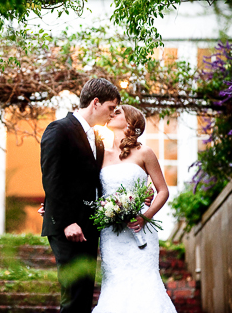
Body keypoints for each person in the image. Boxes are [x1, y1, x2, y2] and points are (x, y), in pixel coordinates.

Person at [40, 78, 152, 313]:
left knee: (83, 298)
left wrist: (140, 194)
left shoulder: (98, 141)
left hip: (89, 228)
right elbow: (52, 177)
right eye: (111, 109)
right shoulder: (58, 129)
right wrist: (64, 218)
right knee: (72, 297)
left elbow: (94, 183)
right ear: (96, 103)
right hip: (68, 228)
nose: (112, 115)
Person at [91, 105, 176, 312]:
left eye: (118, 112)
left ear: (130, 122)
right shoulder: (100, 153)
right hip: (111, 234)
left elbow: (163, 191)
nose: (112, 113)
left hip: (140, 229)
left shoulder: (144, 153)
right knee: (114, 284)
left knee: (145, 282)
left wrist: (145, 217)